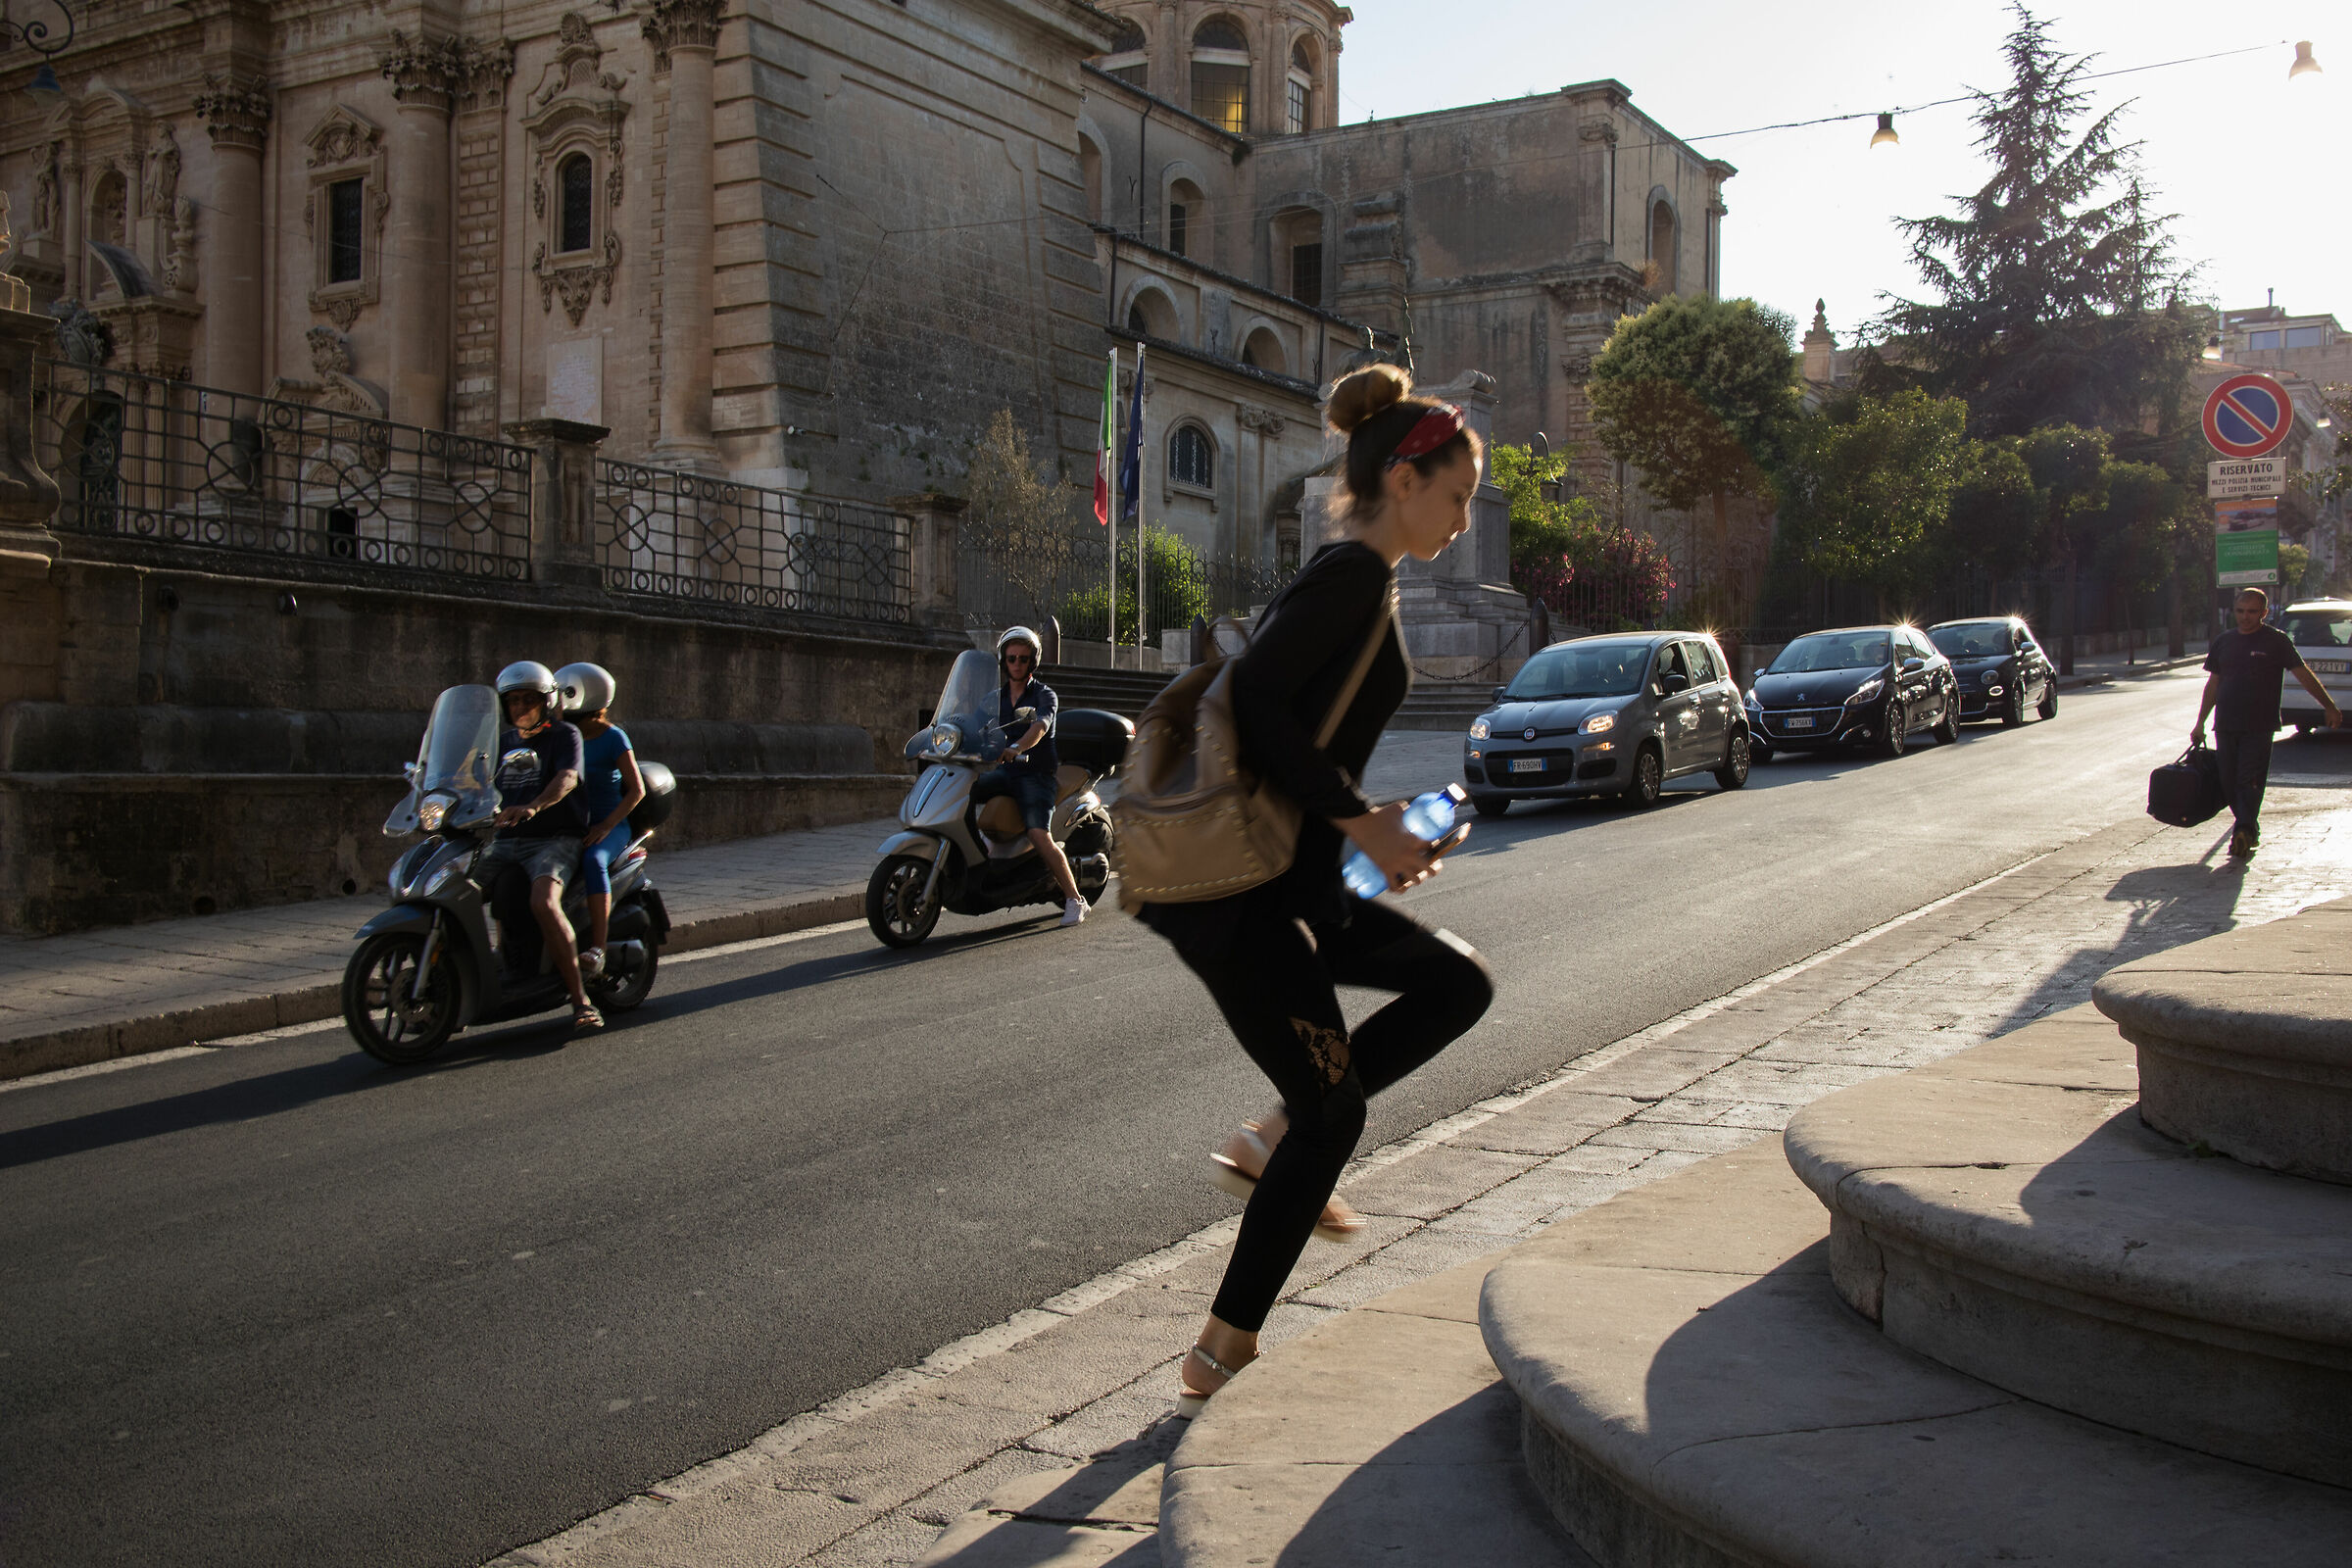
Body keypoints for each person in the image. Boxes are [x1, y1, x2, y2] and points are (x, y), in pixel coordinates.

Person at [1135, 365, 1495, 1417]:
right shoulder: (1348, 576)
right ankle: (1220, 1353)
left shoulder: (1365, 583)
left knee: (1455, 986)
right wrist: (1362, 820)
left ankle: (1271, 1138)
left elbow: (1307, 733)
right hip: (1236, 898)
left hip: (1290, 884)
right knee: (1331, 1108)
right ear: (1403, 479)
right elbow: (1254, 699)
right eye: (1458, 495)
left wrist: (1376, 825)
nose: (1465, 520)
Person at [484, 660, 602, 1032]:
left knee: (544, 902)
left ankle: (581, 1000)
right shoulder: (503, 743)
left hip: (553, 839)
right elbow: (476, 781)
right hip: (506, 839)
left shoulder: (564, 735)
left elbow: (568, 777)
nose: (520, 707)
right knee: (456, 888)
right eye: (513, 700)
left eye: (529, 699)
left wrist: (534, 805)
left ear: (547, 702)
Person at [2193, 586, 2342, 858]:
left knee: (2249, 779)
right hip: (2225, 724)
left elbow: (2303, 674)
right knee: (2228, 781)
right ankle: (2248, 827)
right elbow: (2213, 684)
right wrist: (2200, 722)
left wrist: (2329, 706)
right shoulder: (2224, 641)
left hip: (2259, 726)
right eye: (2240, 611)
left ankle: (2244, 829)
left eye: (2252, 612)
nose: (2245, 617)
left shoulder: (2277, 641)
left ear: (2263, 613)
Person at [970, 625, 1090, 927]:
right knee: (965, 791)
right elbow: (972, 723)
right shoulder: (995, 698)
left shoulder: (1044, 695)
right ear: (1003, 660)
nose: (1017, 664)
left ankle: (1075, 899)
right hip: (1006, 772)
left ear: (1032, 662)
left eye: (1023, 659)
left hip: (1035, 775)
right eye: (1011, 658)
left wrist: (1017, 747)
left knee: (1038, 834)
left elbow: (1040, 726)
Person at [555, 662, 646, 980]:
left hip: (608, 827)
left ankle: (598, 948)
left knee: (594, 861)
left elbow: (636, 790)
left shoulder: (613, 738)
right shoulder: (561, 736)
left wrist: (606, 825)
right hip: (569, 824)